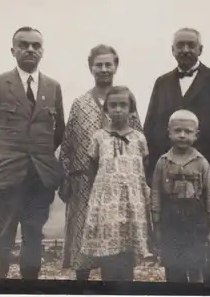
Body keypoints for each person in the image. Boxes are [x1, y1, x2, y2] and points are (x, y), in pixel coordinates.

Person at [143, 27, 210, 284]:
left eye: (191, 45)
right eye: (180, 46)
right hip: (168, 178)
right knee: (172, 242)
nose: (185, 50)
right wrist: (150, 170)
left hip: (205, 175)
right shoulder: (161, 83)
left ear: (200, 49)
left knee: (206, 240)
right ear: (172, 50)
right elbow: (151, 126)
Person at [0, 26, 65, 279]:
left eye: (36, 46)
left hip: (40, 179)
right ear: (13, 50)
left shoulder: (53, 87)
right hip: (5, 176)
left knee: (34, 238)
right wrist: (4, 154)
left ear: (42, 51)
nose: (30, 50)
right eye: (23, 45)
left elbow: (58, 132)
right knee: (2, 239)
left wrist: (39, 155)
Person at [59, 45, 143, 280]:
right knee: (82, 243)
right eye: (99, 65)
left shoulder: (125, 101)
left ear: (116, 66)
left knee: (115, 243)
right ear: (90, 67)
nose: (104, 69)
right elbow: (67, 146)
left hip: (118, 187)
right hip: (84, 184)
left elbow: (138, 142)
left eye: (109, 64)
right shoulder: (79, 103)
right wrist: (65, 179)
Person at [78, 86, 150, 281]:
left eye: (123, 105)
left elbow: (143, 169)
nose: (118, 109)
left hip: (131, 202)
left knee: (127, 250)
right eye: (113, 105)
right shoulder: (99, 137)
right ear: (106, 109)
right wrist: (100, 196)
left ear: (131, 109)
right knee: (108, 248)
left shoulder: (139, 138)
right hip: (107, 202)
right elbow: (92, 169)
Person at [151, 109, 210, 282]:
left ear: (196, 135)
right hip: (170, 219)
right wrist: (157, 224)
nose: (182, 135)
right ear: (169, 133)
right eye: (177, 130)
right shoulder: (162, 162)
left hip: (196, 221)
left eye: (187, 132)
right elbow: (156, 192)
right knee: (173, 266)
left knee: (196, 265)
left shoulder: (201, 163)